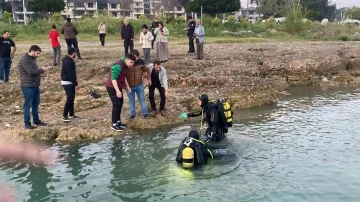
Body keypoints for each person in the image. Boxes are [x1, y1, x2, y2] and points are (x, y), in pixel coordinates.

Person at [18, 45, 48, 129]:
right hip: (27, 86)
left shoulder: (32, 59)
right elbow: (30, 72)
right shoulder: (24, 59)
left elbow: (34, 72)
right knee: (27, 105)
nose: (38, 55)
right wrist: (41, 70)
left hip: (34, 85)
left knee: (36, 103)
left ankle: (36, 120)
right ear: (32, 51)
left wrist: (40, 71)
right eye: (37, 53)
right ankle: (27, 123)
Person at [105, 54, 135, 131]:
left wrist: (127, 86)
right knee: (116, 104)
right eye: (131, 62)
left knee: (121, 102)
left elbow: (123, 76)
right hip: (111, 87)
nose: (131, 65)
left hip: (118, 86)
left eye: (133, 63)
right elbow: (113, 79)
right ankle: (114, 124)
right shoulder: (118, 66)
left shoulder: (125, 66)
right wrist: (117, 91)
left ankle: (118, 122)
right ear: (127, 59)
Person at [125, 49, 151, 119]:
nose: (135, 59)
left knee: (142, 99)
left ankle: (145, 113)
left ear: (138, 57)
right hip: (129, 86)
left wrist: (149, 78)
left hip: (139, 84)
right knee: (131, 100)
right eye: (133, 57)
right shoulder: (127, 63)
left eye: (136, 57)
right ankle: (132, 114)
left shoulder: (141, 62)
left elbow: (146, 70)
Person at [61, 47, 79, 122]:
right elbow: (70, 73)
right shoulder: (68, 61)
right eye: (75, 53)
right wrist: (75, 82)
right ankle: (64, 115)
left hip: (69, 82)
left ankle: (71, 114)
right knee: (70, 98)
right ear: (73, 52)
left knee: (72, 98)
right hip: (67, 82)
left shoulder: (67, 60)